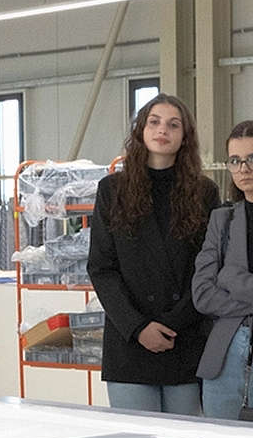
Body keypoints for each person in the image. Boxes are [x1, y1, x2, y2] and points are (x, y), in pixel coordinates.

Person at [87, 93, 217, 414]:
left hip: (184, 337)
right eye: (155, 122)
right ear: (141, 131)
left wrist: (173, 323)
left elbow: (208, 269)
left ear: (185, 136)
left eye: (173, 125)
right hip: (130, 340)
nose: (163, 130)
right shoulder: (112, 190)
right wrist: (138, 327)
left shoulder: (204, 193)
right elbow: (102, 267)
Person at [193, 119, 253, 419]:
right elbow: (202, 294)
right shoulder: (221, 220)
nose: (243, 169)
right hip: (222, 360)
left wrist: (231, 279)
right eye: (235, 161)